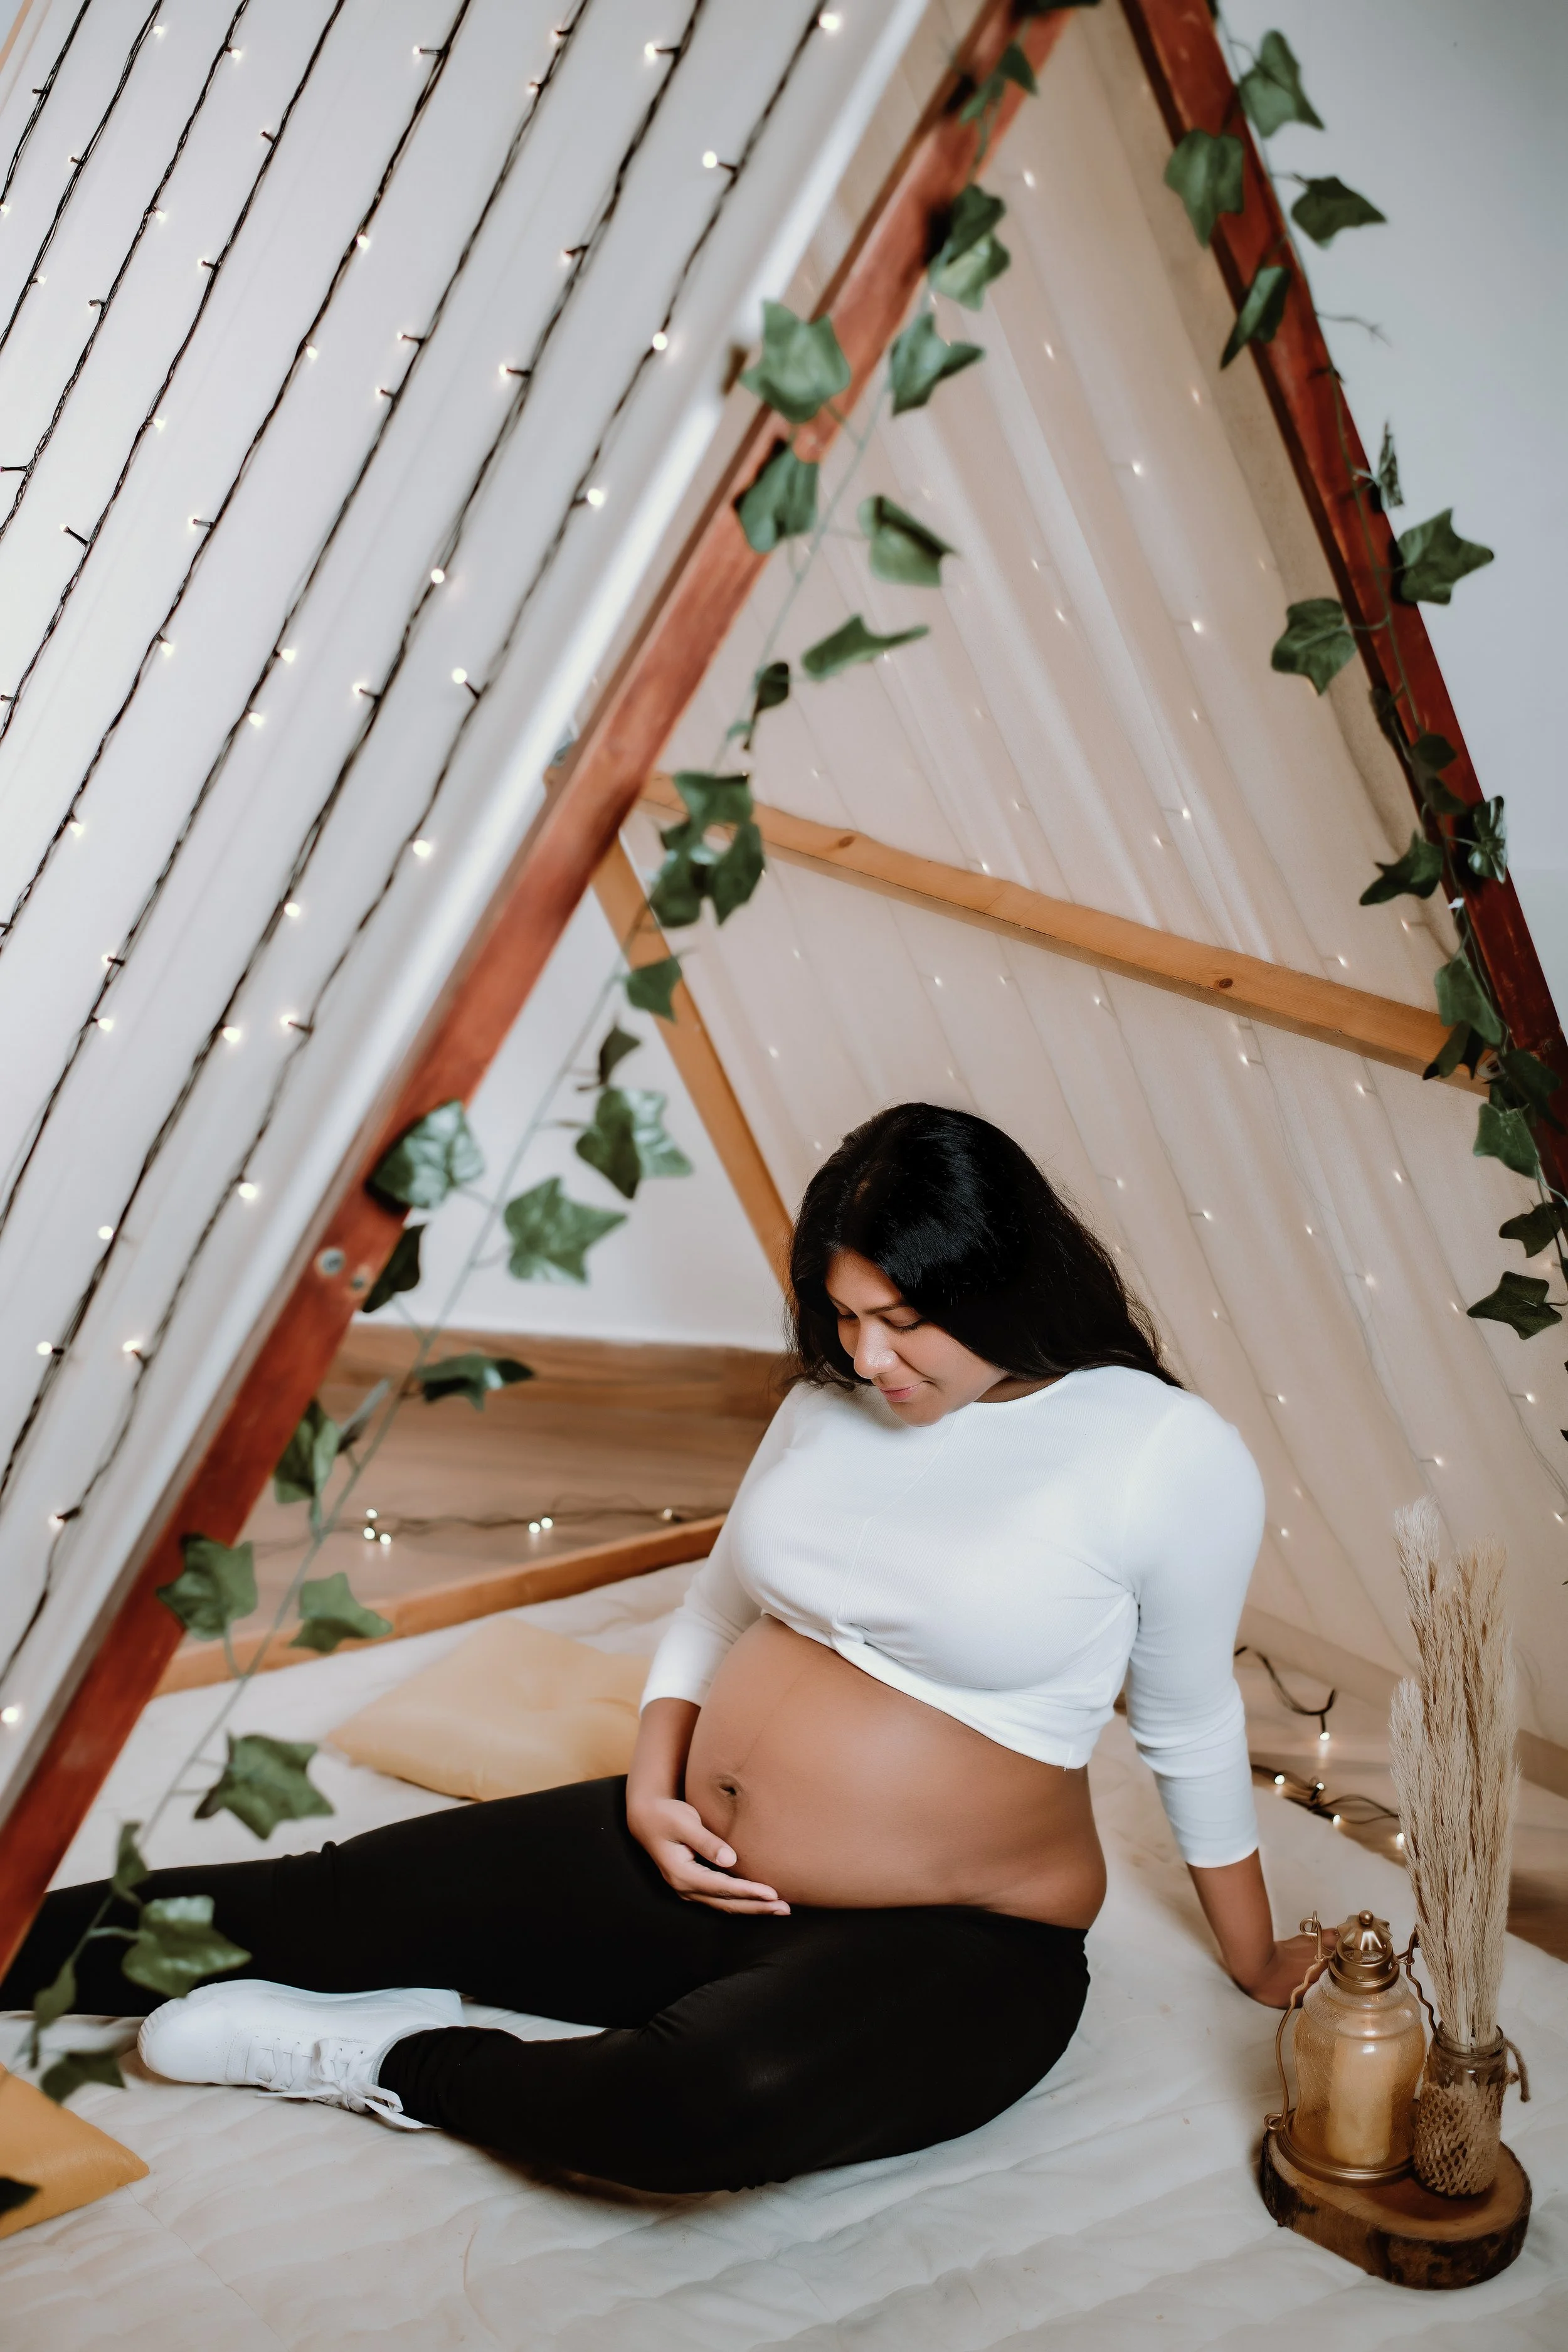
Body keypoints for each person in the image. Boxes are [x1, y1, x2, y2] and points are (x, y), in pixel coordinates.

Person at [3, 1104, 1323, 2195]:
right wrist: (651, 1783)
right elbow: (713, 1610)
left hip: (957, 1941)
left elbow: (1186, 1723)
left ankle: (393, 2061)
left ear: (997, 1277)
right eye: (841, 1314)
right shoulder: (831, 1399)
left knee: (700, 2106)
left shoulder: (1160, 1452)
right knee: (307, 1903)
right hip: (684, 1852)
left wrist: (1256, 1957)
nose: (868, 1359)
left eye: (902, 1320)